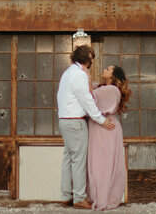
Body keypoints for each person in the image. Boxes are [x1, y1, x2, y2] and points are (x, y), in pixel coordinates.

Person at [57, 44, 115, 209]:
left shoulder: (69, 72)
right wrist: (101, 120)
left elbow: (79, 93)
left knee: (68, 158)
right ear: (88, 59)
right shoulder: (80, 74)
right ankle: (79, 198)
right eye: (92, 57)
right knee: (79, 160)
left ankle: (66, 195)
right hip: (76, 121)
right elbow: (87, 100)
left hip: (65, 120)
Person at [87, 65, 130, 211]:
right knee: (100, 162)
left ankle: (102, 198)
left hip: (105, 128)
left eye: (108, 69)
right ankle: (99, 196)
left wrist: (84, 76)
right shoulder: (104, 87)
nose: (104, 69)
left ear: (113, 76)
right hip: (102, 126)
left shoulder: (111, 90)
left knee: (102, 164)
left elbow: (89, 97)